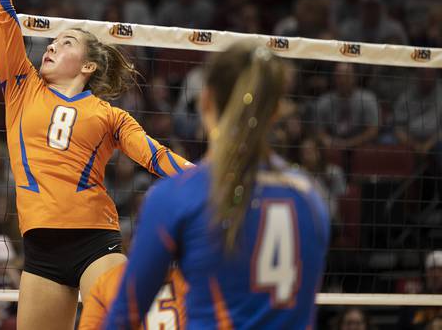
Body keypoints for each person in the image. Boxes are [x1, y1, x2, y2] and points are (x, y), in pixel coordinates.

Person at [0, 0, 192, 330]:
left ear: (89, 65)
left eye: (67, 42)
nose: (53, 45)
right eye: (53, 41)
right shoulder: (21, 85)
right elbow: (3, 13)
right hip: (40, 251)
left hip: (96, 241)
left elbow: (153, 156)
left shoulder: (109, 115)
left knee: (120, 321)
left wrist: (209, 180)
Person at [104, 43, 330, 329]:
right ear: (274, 112)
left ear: (206, 100)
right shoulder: (309, 195)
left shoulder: (178, 195)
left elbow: (124, 317)